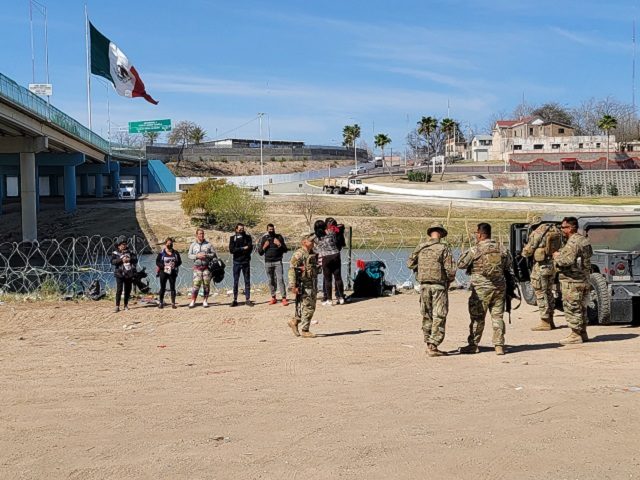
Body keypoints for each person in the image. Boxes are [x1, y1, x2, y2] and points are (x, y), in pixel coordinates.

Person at [457, 223, 513, 355]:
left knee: (477, 317)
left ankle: (473, 345)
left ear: (480, 234)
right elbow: (508, 264)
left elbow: (461, 264)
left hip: (481, 288)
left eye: (476, 233)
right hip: (499, 287)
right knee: (498, 317)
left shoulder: (475, 250)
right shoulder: (502, 249)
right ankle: (499, 345)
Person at [407, 223, 456, 357]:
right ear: (440, 234)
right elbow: (451, 270)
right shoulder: (443, 248)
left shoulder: (421, 247)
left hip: (424, 285)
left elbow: (410, 263)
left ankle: (428, 341)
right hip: (438, 286)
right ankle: (433, 345)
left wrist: (421, 268)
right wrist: (449, 280)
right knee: (439, 314)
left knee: (427, 314)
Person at [553, 216, 592, 344]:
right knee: (582, 307)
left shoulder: (573, 242)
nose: (561, 230)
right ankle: (583, 333)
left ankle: (575, 334)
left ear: (570, 228)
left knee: (572, 307)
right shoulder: (584, 240)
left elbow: (567, 261)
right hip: (584, 279)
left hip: (572, 281)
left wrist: (557, 257)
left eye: (563, 227)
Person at [521, 216, 563, 331]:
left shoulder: (537, 232)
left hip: (541, 266)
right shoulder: (557, 230)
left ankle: (545, 321)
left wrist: (523, 252)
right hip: (552, 266)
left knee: (540, 292)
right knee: (549, 292)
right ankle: (551, 319)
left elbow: (528, 251)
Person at [288, 233, 320, 338]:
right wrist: (293, 286)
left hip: (312, 283)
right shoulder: (299, 254)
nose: (313, 243)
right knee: (309, 307)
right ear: (304, 242)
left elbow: (316, 269)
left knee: (308, 306)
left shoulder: (313, 253)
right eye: (311, 241)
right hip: (303, 284)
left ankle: (295, 321)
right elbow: (292, 270)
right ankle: (305, 330)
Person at [314, 219, 345, 306]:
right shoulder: (331, 232)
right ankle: (341, 298)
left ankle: (329, 299)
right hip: (335, 255)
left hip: (326, 257)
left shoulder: (316, 237)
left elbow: (314, 248)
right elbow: (340, 227)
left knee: (328, 280)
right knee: (338, 277)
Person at [257, 223, 289, 306]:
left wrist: (279, 244)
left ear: (274, 229)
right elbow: (260, 252)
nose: (271, 231)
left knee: (280, 279)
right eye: (270, 229)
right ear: (267, 230)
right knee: (271, 280)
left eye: (272, 229)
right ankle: (273, 297)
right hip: (268, 262)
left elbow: (285, 250)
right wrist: (264, 246)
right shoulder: (264, 238)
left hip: (278, 261)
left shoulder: (279, 237)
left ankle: (284, 298)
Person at [187, 228, 217, 308]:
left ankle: (205, 301)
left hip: (206, 267)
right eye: (200, 234)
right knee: (196, 285)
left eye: (202, 233)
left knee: (206, 285)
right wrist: (197, 256)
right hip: (197, 268)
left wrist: (206, 255)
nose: (201, 235)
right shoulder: (193, 245)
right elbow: (189, 255)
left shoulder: (208, 244)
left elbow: (213, 254)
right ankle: (193, 301)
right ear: (196, 235)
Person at [111, 235, 138, 312]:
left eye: (125, 244)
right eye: (122, 244)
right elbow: (112, 262)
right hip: (119, 274)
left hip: (128, 273)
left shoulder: (131, 252)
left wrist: (130, 259)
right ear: (119, 246)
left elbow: (135, 260)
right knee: (119, 290)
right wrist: (121, 260)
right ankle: (117, 306)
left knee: (128, 290)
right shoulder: (115, 253)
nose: (124, 246)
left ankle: (126, 305)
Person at [229, 223, 253, 307]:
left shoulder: (248, 237)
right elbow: (232, 250)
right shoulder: (232, 238)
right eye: (240, 229)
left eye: (242, 228)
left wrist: (239, 250)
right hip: (236, 262)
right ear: (236, 229)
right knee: (236, 281)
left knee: (247, 281)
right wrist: (242, 248)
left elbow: (250, 248)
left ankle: (248, 299)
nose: (241, 230)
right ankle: (235, 299)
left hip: (246, 262)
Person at [156, 237, 182, 309]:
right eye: (168, 244)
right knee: (163, 287)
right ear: (165, 244)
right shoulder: (161, 253)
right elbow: (157, 262)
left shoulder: (175, 253)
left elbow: (180, 262)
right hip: (163, 271)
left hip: (172, 271)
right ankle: (161, 302)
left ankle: (173, 303)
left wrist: (175, 264)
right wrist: (164, 266)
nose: (169, 245)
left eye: (171, 244)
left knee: (172, 287)